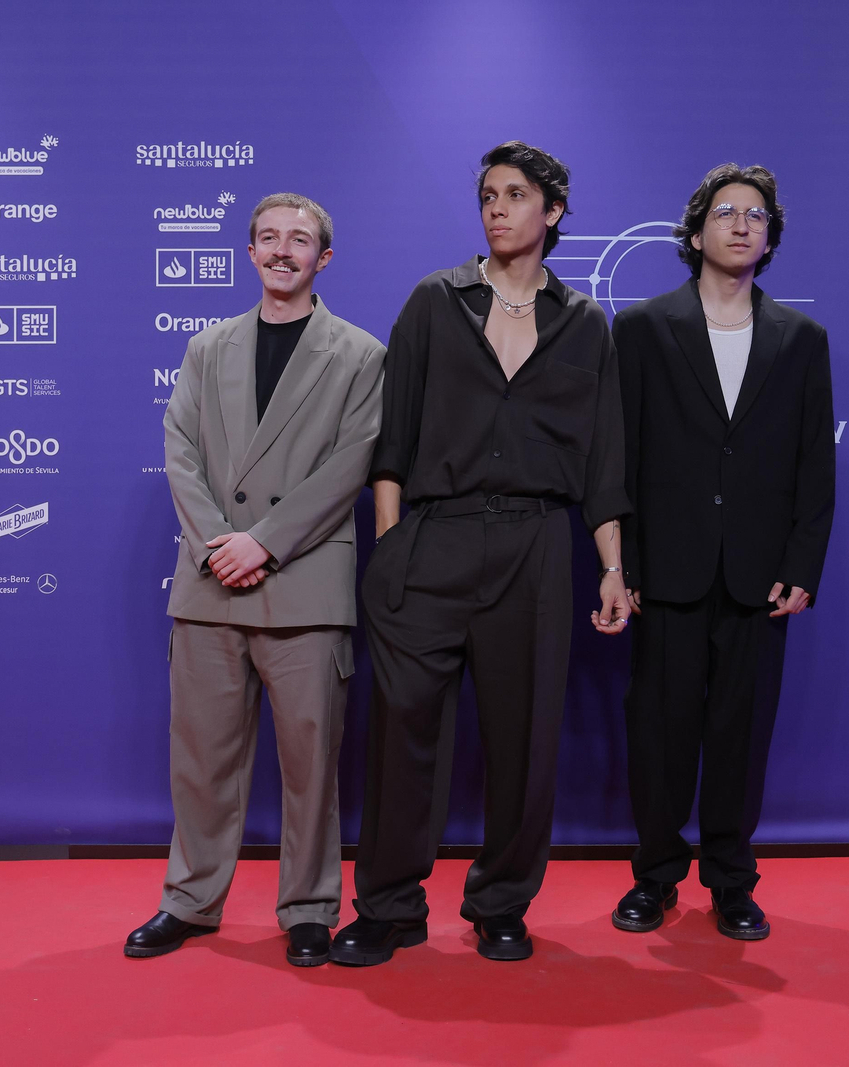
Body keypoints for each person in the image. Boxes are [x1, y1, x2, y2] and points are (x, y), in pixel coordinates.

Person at [330, 142, 630, 966]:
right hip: (431, 539)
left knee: (525, 736)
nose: (498, 208)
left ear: (554, 211)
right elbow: (392, 441)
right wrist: (391, 552)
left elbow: (604, 462)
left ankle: (502, 902)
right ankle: (389, 905)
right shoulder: (434, 301)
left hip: (536, 544)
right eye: (488, 195)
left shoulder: (585, 323)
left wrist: (611, 565)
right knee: (402, 732)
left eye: (517, 194)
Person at [124, 193, 385, 967]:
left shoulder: (362, 354)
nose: (282, 250)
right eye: (268, 237)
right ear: (249, 252)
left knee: (312, 764)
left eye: (298, 239)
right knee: (200, 760)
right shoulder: (206, 347)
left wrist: (265, 543)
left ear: (323, 258)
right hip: (209, 585)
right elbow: (179, 448)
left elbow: (352, 464)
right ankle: (190, 899)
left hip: (303, 584)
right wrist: (217, 545)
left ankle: (307, 907)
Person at [612, 164, 834, 941]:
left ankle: (732, 881)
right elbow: (623, 456)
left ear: (770, 236)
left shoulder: (801, 339)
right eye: (726, 211)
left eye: (758, 215)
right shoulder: (642, 328)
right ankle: (655, 876)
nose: (742, 224)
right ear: (697, 229)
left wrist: (802, 565)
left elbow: (815, 464)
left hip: (758, 575)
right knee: (661, 733)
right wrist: (626, 566)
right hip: (665, 571)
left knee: (742, 736)